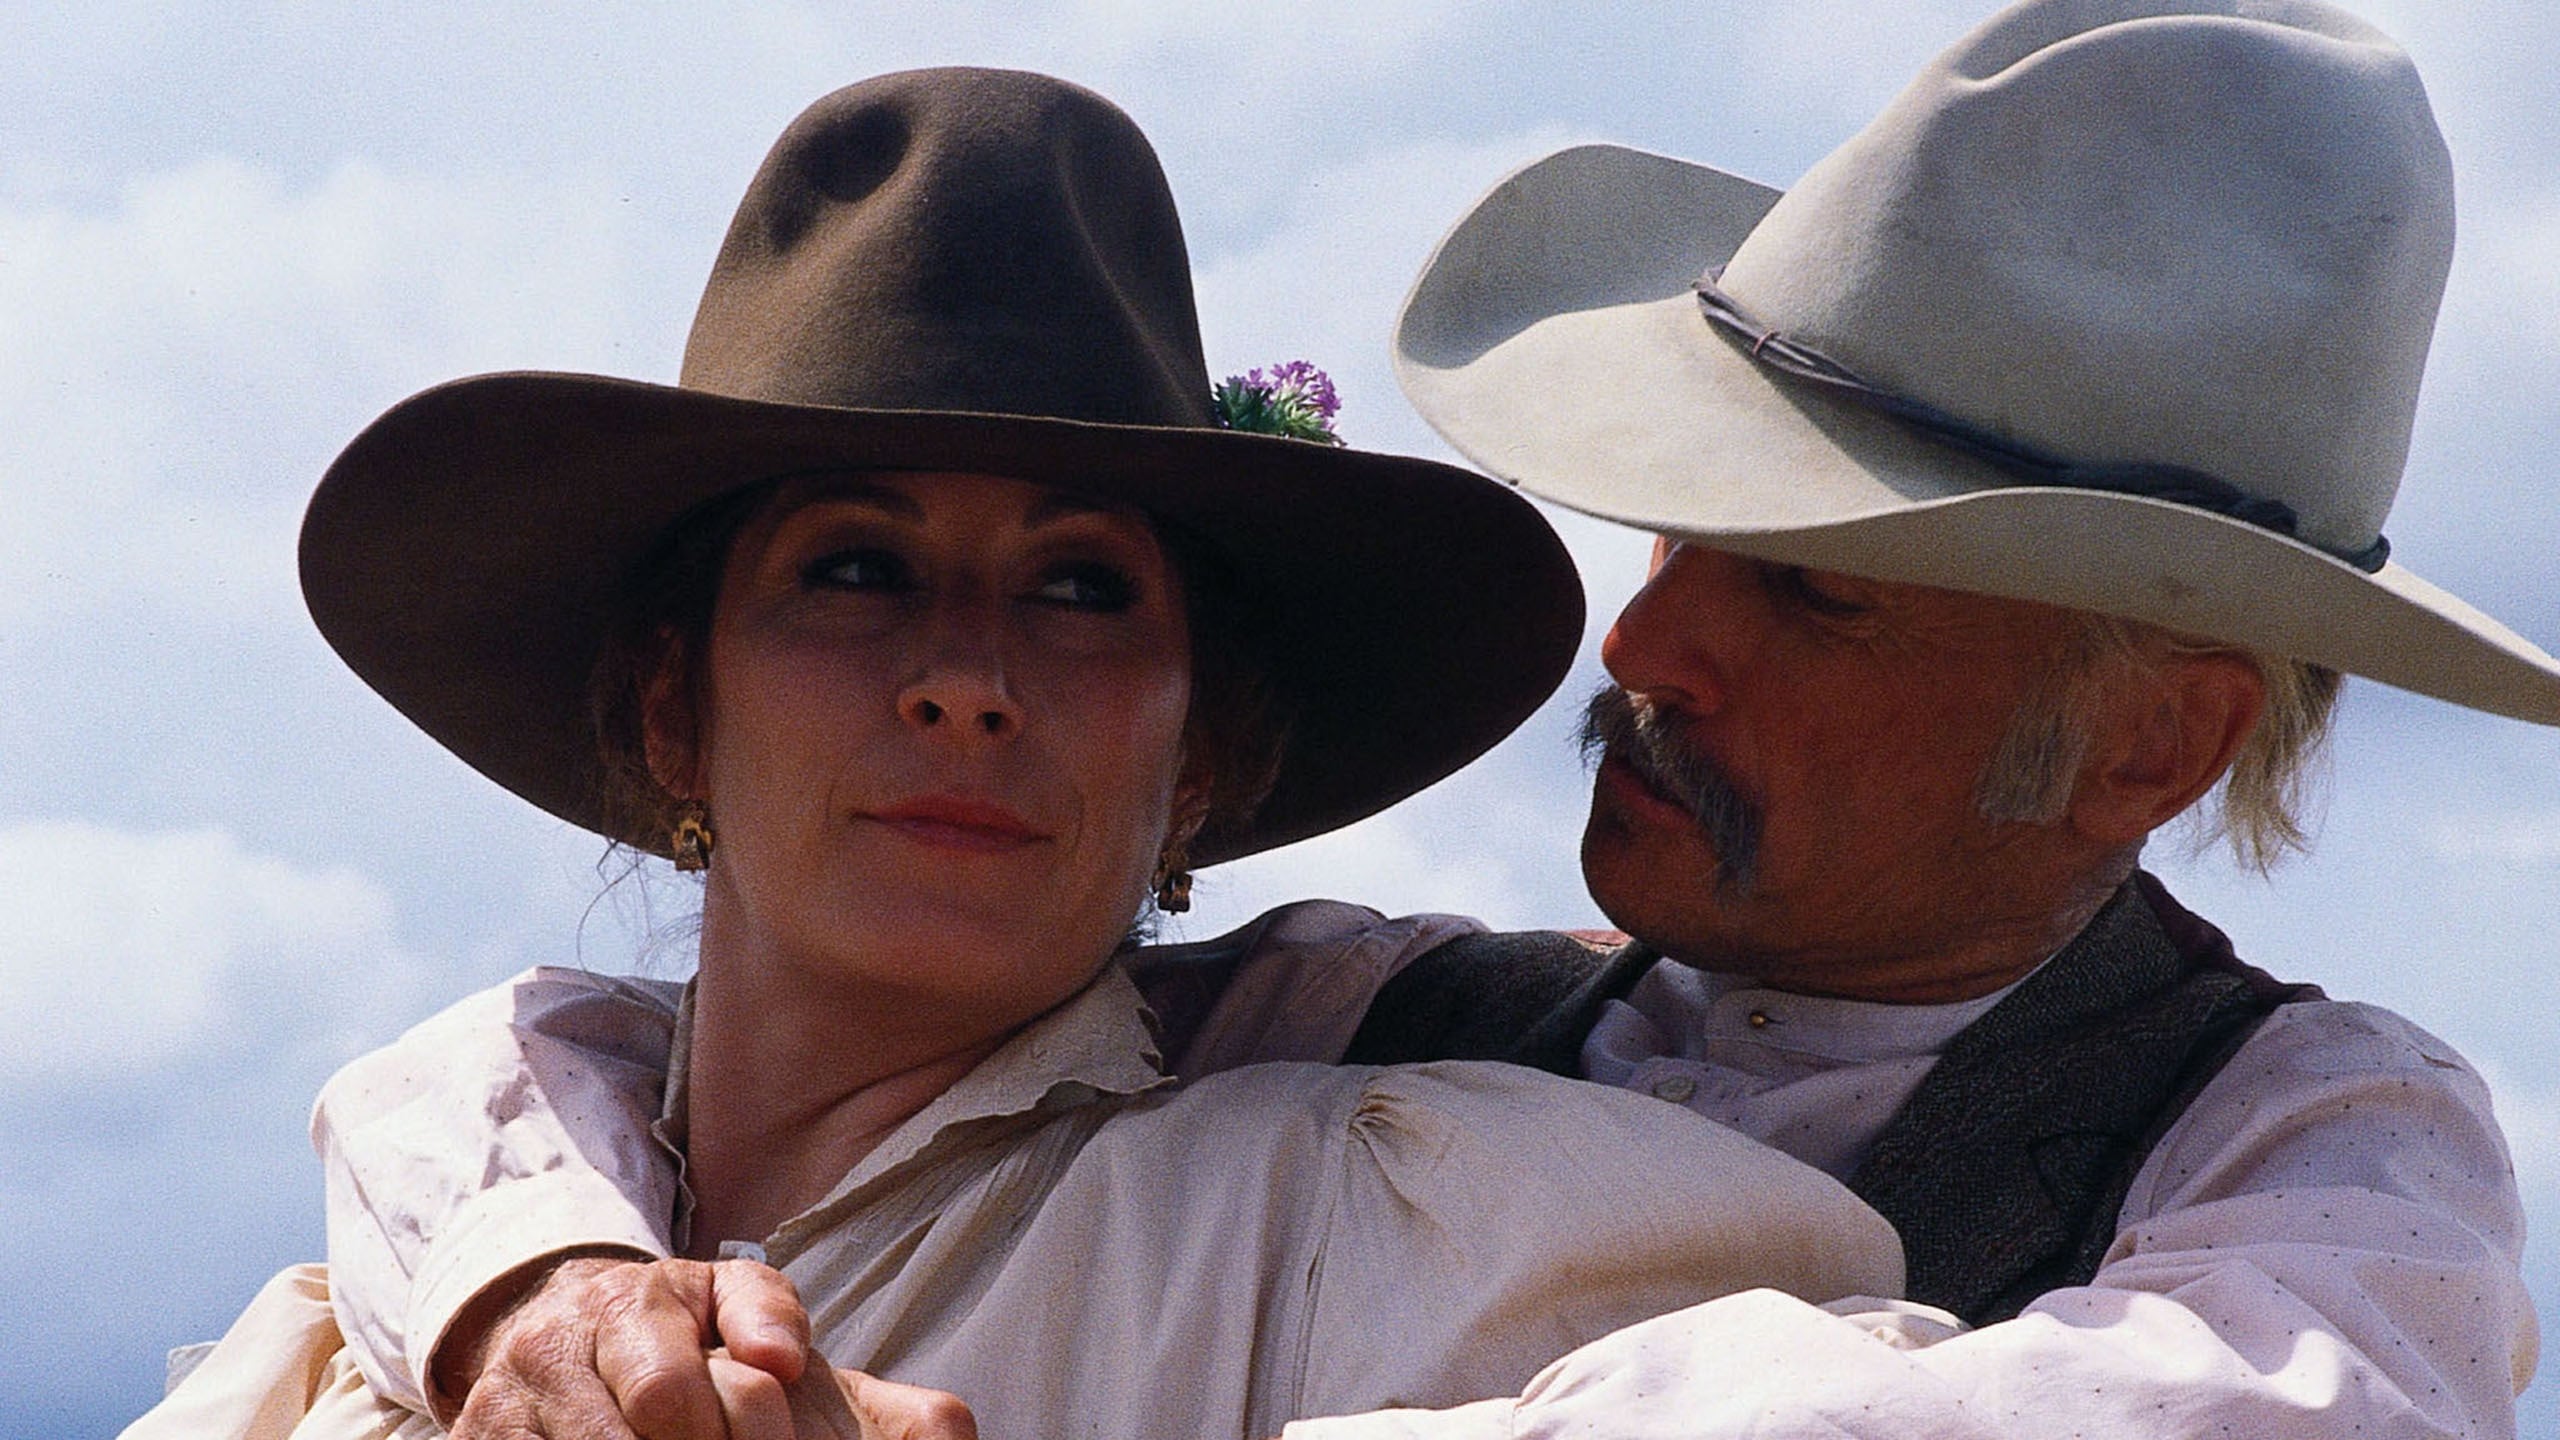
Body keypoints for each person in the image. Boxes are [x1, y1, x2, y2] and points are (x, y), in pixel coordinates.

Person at [276, 1, 2560, 1436]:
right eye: (1672, 541)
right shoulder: (1361, 1012)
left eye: (1806, 588)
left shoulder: (2318, 1140)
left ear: (2149, 745)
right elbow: (595, 1047)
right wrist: (537, 1278)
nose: (1645, 648)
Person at [116, 66, 1911, 1440]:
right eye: (855, 569)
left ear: (1199, 758)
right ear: (674, 709)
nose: (968, 682)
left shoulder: (1360, 1225)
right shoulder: (385, 1317)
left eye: (1079, 588)